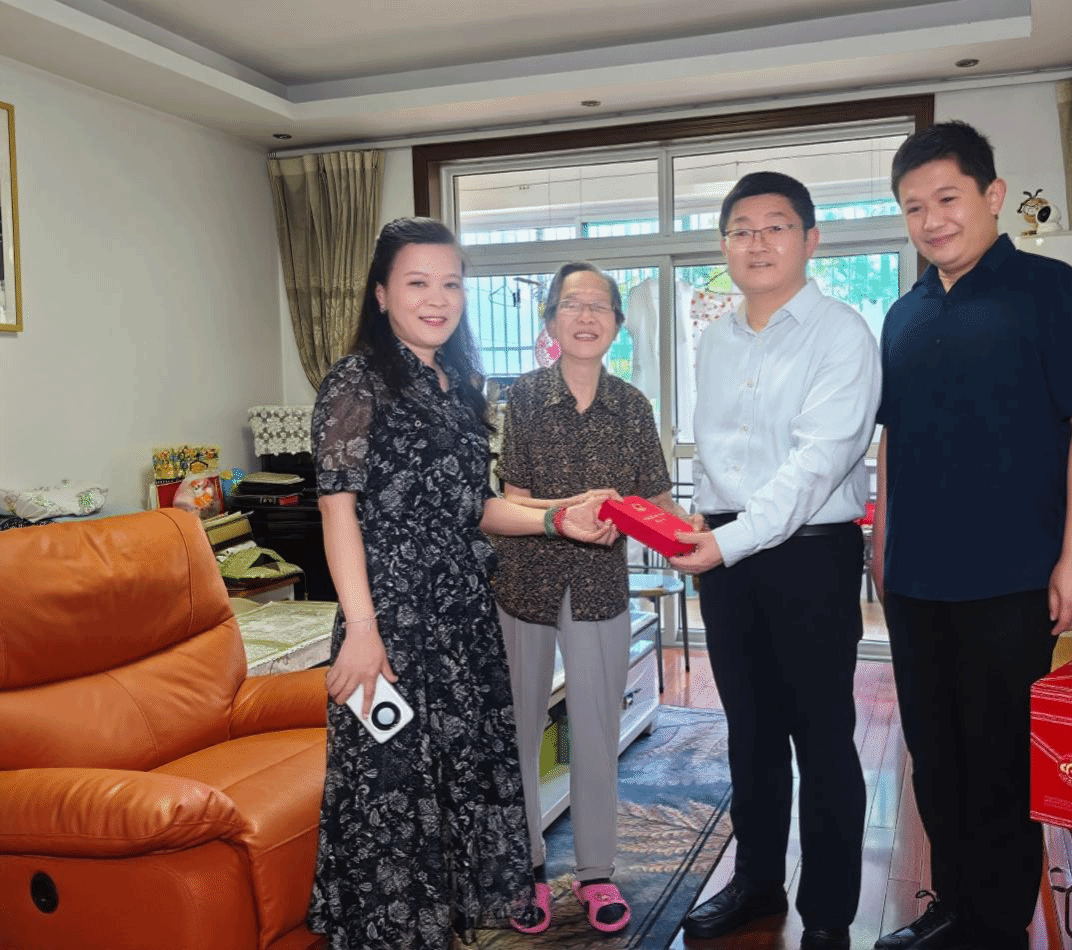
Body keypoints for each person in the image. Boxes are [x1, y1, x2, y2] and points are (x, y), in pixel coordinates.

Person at [307, 217, 615, 950]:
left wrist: (557, 521)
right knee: (391, 802)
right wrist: (363, 630)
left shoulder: (458, 386)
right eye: (417, 282)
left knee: (457, 798)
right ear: (382, 293)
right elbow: (336, 508)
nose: (437, 298)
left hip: (463, 619)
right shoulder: (356, 381)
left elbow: (474, 506)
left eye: (451, 283)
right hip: (391, 625)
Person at [872, 121, 1072, 950]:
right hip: (915, 579)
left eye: (947, 198)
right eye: (913, 207)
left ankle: (999, 927)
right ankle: (955, 906)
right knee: (935, 759)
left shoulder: (1052, 290)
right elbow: (893, 440)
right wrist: (881, 543)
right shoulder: (903, 315)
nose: (931, 220)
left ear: (993, 195)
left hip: (1013, 575)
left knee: (1000, 759)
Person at [670, 171, 881, 950]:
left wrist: (726, 539)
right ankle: (757, 883)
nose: (757, 242)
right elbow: (722, 450)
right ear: (724, 245)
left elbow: (818, 463)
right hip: (727, 554)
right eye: (740, 229)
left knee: (821, 738)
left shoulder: (842, 333)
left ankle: (827, 913)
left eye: (776, 226)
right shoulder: (716, 339)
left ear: (810, 239)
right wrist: (707, 516)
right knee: (749, 733)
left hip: (810, 555)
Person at [492, 261, 691, 936]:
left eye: (599, 306)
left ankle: (597, 872)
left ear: (616, 324)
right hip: (526, 582)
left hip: (602, 586)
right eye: (572, 304)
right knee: (520, 729)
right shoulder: (523, 399)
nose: (585, 316)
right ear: (551, 320)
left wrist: (692, 535)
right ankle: (526, 868)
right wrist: (572, 512)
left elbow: (656, 499)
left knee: (598, 730)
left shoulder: (633, 406)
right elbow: (513, 501)